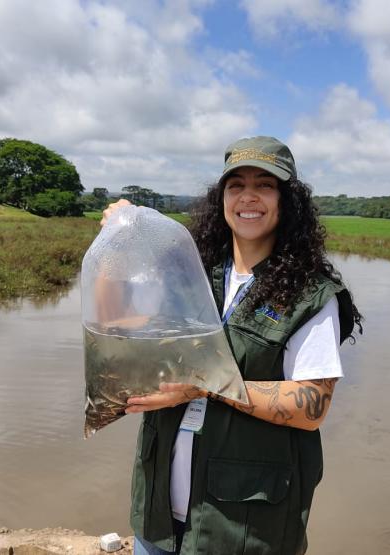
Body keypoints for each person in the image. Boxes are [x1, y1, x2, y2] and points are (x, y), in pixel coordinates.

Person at [101, 136, 362, 554]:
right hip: (157, 516)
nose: (248, 197)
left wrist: (205, 386)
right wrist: (118, 239)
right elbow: (116, 325)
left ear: (287, 201)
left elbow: (312, 405)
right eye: (236, 184)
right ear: (221, 197)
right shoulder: (189, 273)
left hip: (242, 528)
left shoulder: (310, 295)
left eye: (265, 185)